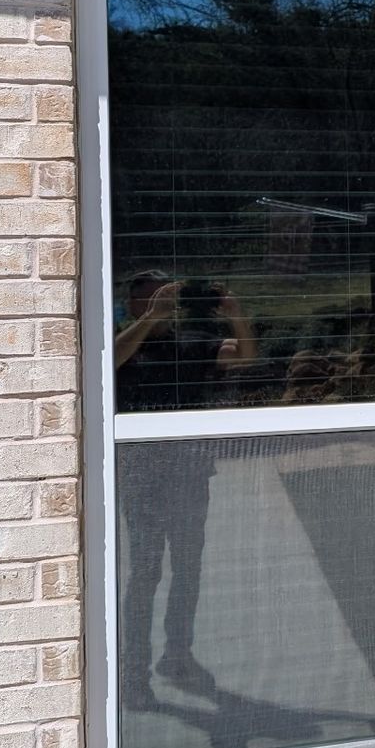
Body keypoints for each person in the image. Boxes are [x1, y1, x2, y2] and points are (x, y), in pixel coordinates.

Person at [113, 270, 259, 702]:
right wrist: (145, 321)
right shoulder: (124, 341)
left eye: (163, 298)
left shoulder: (190, 340)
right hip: (142, 475)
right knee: (144, 574)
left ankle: (178, 657)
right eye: (146, 299)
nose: (156, 305)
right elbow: (107, 363)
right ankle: (133, 673)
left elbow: (245, 357)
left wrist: (237, 316)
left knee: (187, 572)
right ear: (132, 303)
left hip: (190, 473)